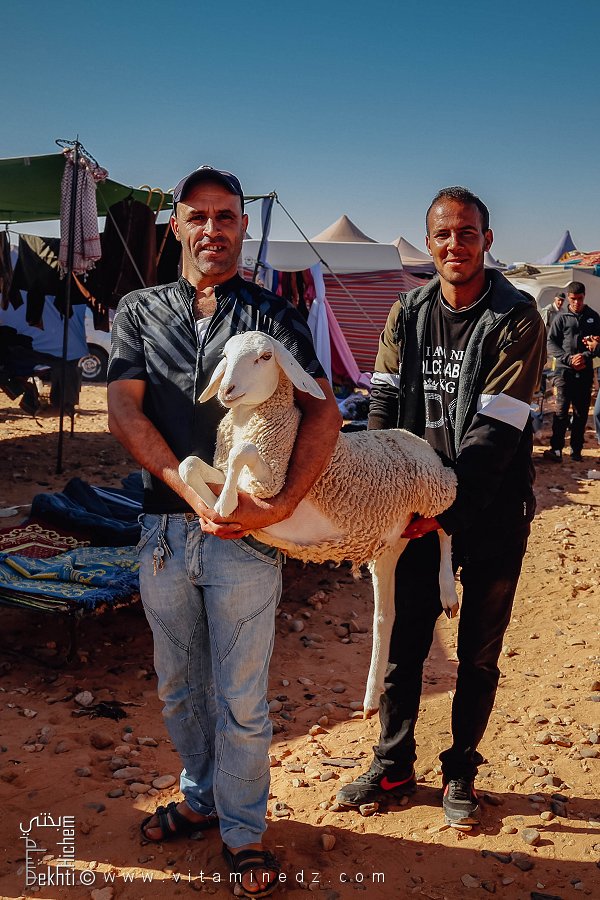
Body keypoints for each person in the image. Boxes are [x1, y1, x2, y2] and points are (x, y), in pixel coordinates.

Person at [107, 165, 341, 897]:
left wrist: (276, 509)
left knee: (240, 696)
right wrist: (185, 484)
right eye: (199, 216)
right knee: (179, 687)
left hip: (245, 541)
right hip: (164, 532)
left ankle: (243, 832)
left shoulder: (273, 317)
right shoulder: (139, 310)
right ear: (176, 224)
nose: (213, 229)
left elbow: (323, 414)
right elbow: (125, 412)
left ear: (243, 228)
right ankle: (199, 797)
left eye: (227, 217)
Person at [335, 186, 546, 828]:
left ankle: (460, 768)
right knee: (405, 640)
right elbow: (382, 400)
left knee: (479, 651)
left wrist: (444, 511)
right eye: (444, 234)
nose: (456, 244)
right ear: (429, 244)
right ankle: (394, 763)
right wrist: (381, 487)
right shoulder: (408, 313)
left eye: (468, 232)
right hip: (412, 513)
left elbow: (498, 431)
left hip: (492, 509)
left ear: (486, 239)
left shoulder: (517, 316)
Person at [542, 282, 600, 463]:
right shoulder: (561, 318)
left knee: (581, 413)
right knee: (561, 411)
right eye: (573, 299)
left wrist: (584, 356)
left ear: (584, 296)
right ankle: (557, 449)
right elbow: (551, 343)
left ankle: (576, 450)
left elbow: (598, 344)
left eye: (580, 299)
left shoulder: (593, 317)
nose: (576, 303)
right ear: (568, 297)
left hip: (584, 372)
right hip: (563, 372)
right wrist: (568, 359)